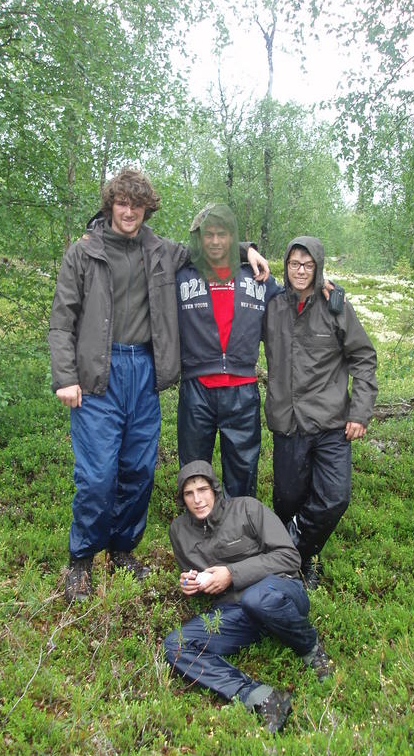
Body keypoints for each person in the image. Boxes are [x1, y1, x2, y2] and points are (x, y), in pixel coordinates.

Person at [49, 170, 268, 603]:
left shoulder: (159, 250)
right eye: (121, 203)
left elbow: (207, 247)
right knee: (97, 475)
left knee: (139, 470)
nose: (129, 212)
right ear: (110, 205)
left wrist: (248, 250)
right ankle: (81, 558)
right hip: (97, 373)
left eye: (137, 204)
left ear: (147, 207)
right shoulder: (84, 252)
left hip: (144, 370)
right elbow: (62, 319)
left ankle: (122, 548)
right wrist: (65, 376)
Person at [164, 460, 333, 734]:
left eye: (203, 489)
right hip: (237, 614)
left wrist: (231, 573)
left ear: (215, 489)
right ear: (182, 498)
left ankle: (312, 649)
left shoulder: (247, 508)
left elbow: (289, 557)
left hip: (281, 592)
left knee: (258, 598)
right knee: (175, 645)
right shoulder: (179, 531)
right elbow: (190, 572)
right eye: (189, 493)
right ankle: (261, 697)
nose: (197, 499)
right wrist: (189, 583)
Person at [263, 236, 378, 588]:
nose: (300, 270)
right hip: (287, 423)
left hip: (330, 423)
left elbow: (363, 357)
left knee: (334, 497)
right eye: (294, 264)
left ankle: (295, 551)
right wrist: (246, 249)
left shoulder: (335, 306)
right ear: (285, 266)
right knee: (287, 499)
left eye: (308, 265)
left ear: (318, 268)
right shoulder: (273, 306)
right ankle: (298, 561)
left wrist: (359, 411)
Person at [175, 204, 283, 498]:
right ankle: (199, 535)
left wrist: (320, 281)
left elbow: (293, 300)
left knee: (242, 472)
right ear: (199, 238)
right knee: (194, 472)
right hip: (197, 388)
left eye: (222, 234)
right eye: (208, 234)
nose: (215, 241)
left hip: (242, 391)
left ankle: (238, 535)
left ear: (232, 237)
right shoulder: (182, 275)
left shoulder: (256, 275)